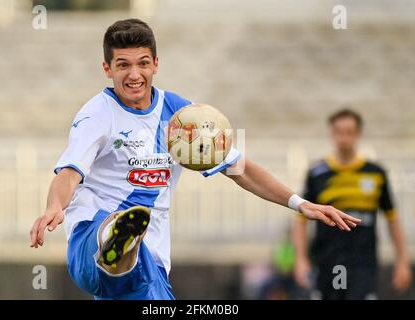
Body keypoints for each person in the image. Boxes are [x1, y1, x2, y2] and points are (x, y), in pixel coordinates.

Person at [29, 19, 360, 300]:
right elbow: (70, 172)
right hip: (89, 242)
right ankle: (117, 238)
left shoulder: (182, 117)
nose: (134, 75)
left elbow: (240, 169)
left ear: (156, 64)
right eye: (123, 65)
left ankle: (125, 244)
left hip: (153, 264)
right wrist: (54, 206)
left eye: (143, 63)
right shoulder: (97, 115)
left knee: (141, 269)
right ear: (107, 69)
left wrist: (300, 204)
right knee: (116, 235)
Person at [292, 108, 412, 300]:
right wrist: (301, 259)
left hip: (363, 263)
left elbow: (392, 218)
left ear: (358, 134)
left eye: (349, 132)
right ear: (332, 134)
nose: (344, 138)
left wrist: (402, 260)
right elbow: (300, 219)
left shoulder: (375, 173)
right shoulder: (317, 173)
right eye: (339, 132)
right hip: (327, 260)